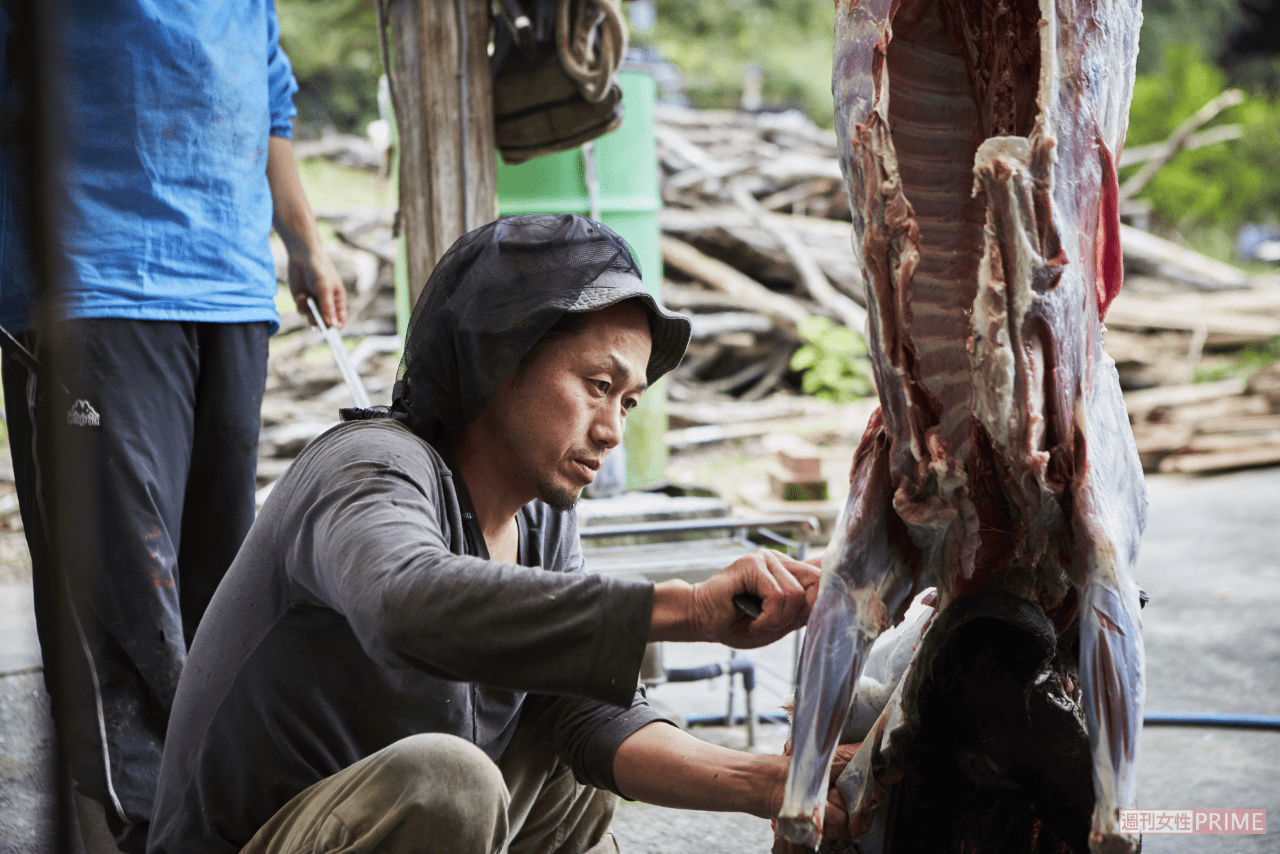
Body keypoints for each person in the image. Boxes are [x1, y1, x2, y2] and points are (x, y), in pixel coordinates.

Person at [148, 214, 854, 854]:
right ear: (499, 358)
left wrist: (771, 783)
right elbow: (404, 603)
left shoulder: (542, 521)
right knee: (453, 782)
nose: (612, 430)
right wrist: (691, 610)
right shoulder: (365, 468)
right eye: (597, 385)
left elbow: (588, 716)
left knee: (575, 772)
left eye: (629, 401)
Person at [0, 2, 346, 850]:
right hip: (93, 280)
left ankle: (215, 812)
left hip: (228, 285)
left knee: (222, 584)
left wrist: (302, 240)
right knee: (116, 594)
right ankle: (136, 827)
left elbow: (266, 94)